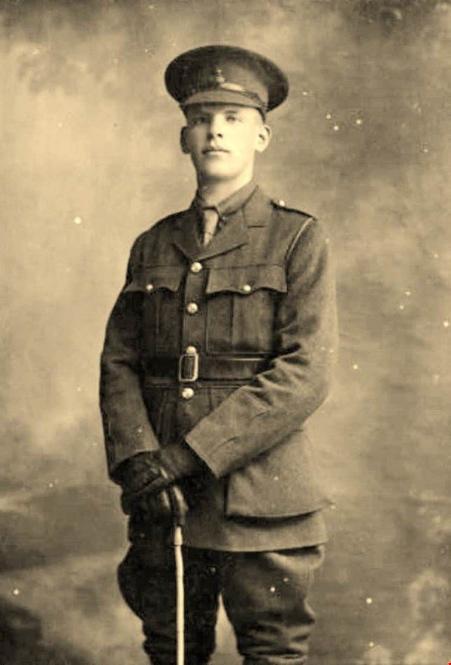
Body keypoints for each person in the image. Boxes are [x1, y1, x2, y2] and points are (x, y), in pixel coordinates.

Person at [99, 44, 338, 665]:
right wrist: (139, 462)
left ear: (261, 136)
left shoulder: (297, 238)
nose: (216, 131)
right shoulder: (153, 244)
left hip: (260, 500)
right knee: (173, 649)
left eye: (233, 118)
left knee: (271, 652)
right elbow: (120, 363)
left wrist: (185, 458)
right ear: (184, 138)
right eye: (202, 118)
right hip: (165, 500)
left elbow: (305, 372)